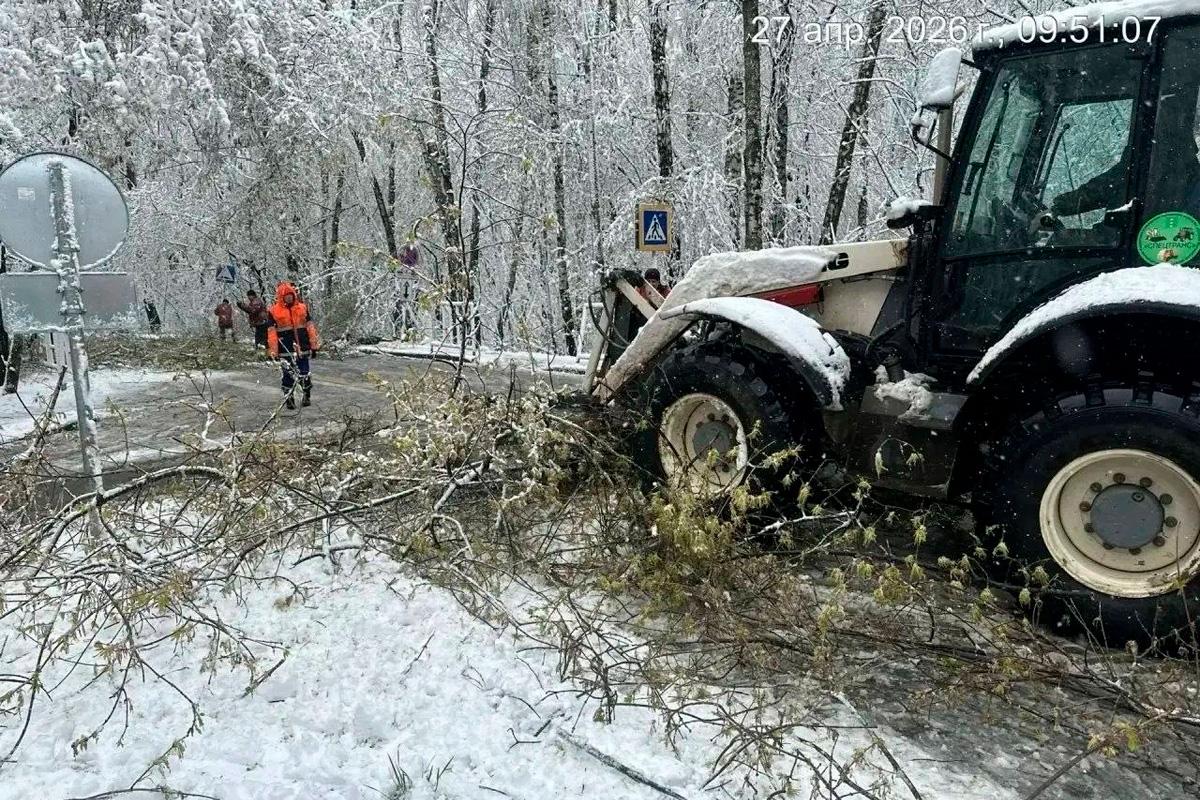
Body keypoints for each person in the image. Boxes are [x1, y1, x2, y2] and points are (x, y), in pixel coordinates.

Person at [266, 281, 320, 409]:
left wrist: (314, 346)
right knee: (288, 374)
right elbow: (271, 333)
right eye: (286, 295)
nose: (289, 297)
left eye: (290, 294)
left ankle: (306, 395)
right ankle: (289, 398)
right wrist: (273, 351)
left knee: (304, 373)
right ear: (281, 297)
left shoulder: (302, 308)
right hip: (285, 348)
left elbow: (310, 328)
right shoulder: (274, 311)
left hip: (303, 346)